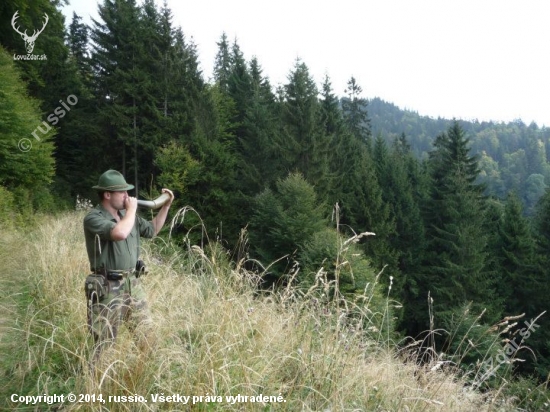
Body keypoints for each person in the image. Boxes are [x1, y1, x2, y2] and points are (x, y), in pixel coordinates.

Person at [83, 169, 174, 359]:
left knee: (147, 338)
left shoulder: (127, 215)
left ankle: (141, 380)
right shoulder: (94, 218)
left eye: (127, 191)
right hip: (107, 288)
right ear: (107, 194)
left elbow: (152, 230)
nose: (127, 196)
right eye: (122, 192)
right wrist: (131, 210)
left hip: (133, 284)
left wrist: (165, 207)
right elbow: (119, 233)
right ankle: (94, 385)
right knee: (104, 346)